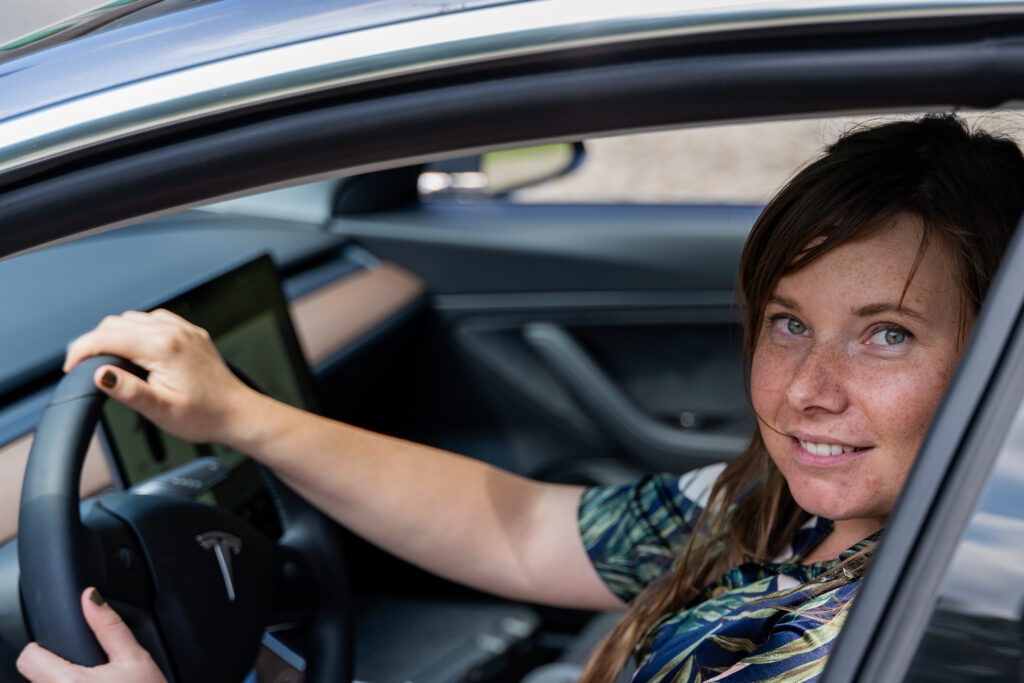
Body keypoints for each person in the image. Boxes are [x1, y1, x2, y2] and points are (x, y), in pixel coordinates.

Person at [15, 114, 1024, 683]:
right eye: (788, 321)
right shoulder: (786, 505)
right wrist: (241, 417)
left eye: (886, 333)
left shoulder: (890, 633)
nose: (808, 387)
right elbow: (526, 532)